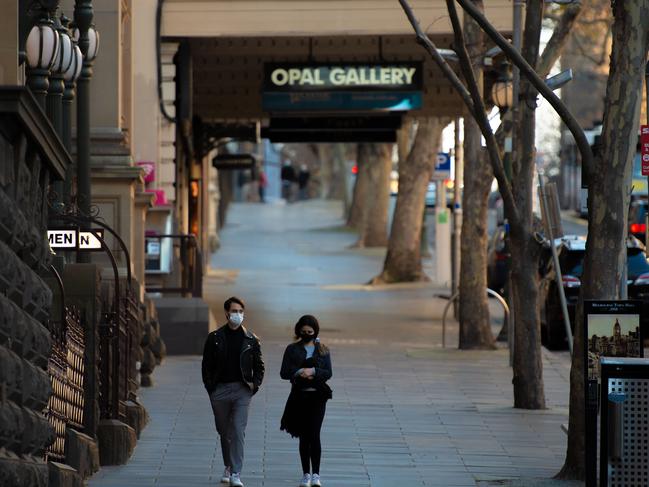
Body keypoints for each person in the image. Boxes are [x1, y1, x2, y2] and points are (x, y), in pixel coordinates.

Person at [202, 297, 265, 487]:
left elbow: (259, 366)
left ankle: (236, 472)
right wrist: (210, 388)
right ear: (226, 313)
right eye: (234, 311)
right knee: (224, 431)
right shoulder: (214, 338)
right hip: (219, 390)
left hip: (242, 390)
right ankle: (228, 465)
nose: (238, 315)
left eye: (240, 311)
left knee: (237, 430)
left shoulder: (251, 339)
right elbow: (206, 365)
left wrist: (255, 384)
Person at [280, 315, 332, 487]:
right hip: (299, 397)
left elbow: (328, 373)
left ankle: (316, 474)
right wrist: (299, 372)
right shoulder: (291, 349)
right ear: (298, 331)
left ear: (315, 332)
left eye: (310, 332)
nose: (307, 334)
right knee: (304, 436)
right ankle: (305, 474)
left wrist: (314, 371)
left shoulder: (323, 350)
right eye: (303, 332)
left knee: (314, 434)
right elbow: (284, 372)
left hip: (318, 398)